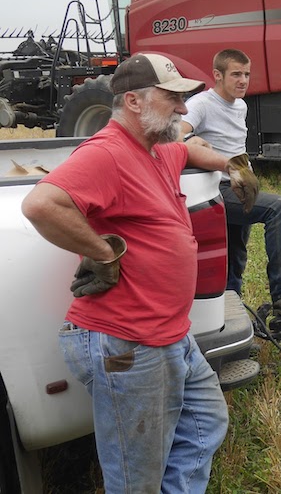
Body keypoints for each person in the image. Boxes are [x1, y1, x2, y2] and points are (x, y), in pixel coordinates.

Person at [21, 53, 260, 492]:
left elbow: (188, 147)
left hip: (168, 334)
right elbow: (40, 205)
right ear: (133, 101)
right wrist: (102, 252)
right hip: (128, 343)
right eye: (173, 99)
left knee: (206, 421)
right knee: (137, 478)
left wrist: (230, 164)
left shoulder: (153, 149)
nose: (184, 108)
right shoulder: (108, 153)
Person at [180, 49, 281, 317]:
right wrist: (189, 140)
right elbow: (173, 136)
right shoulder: (201, 104)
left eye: (247, 74)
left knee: (234, 256)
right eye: (236, 74)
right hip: (215, 190)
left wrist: (246, 174)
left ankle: (231, 313)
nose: (243, 80)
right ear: (217, 75)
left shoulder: (240, 105)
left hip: (240, 185)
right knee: (279, 208)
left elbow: (234, 144)